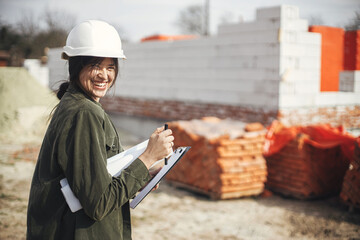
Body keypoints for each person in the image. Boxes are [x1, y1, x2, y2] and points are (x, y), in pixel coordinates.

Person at [26, 20, 174, 240]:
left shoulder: (78, 105)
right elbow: (98, 203)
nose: (104, 75)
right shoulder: (83, 113)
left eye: (110, 67)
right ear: (76, 66)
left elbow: (92, 179)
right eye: (95, 65)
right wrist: (148, 157)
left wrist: (140, 176)